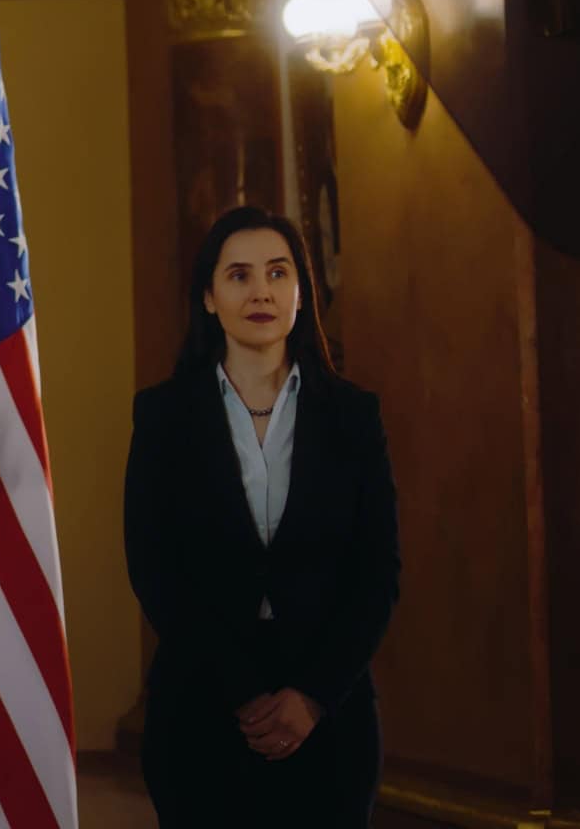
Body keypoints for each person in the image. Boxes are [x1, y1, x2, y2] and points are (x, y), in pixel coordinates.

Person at [123, 206, 400, 827]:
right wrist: (243, 691)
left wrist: (312, 696)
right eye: (239, 275)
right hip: (201, 705)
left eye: (277, 273)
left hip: (330, 714)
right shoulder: (164, 416)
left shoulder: (354, 417)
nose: (260, 292)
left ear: (300, 294)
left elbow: (376, 573)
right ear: (209, 297)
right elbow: (154, 566)